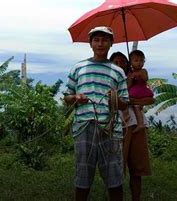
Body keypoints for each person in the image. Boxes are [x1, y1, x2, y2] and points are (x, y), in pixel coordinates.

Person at [64, 26, 128, 201]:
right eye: (97, 40)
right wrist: (75, 97)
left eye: (105, 40)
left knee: (115, 177)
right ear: (90, 43)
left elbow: (124, 103)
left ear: (111, 44)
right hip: (84, 127)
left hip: (110, 129)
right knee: (83, 176)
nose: (100, 43)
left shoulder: (118, 71)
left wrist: (113, 100)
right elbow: (67, 96)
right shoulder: (78, 68)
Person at [110, 51, 154, 201]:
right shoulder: (108, 79)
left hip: (136, 124)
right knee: (117, 167)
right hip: (118, 125)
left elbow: (149, 100)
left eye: (123, 62)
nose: (120, 64)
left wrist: (131, 100)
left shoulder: (136, 77)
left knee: (137, 168)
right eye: (116, 62)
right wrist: (129, 101)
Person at [127, 50, 154, 133]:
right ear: (130, 62)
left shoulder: (143, 71)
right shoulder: (129, 73)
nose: (139, 63)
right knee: (136, 107)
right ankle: (140, 123)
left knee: (137, 106)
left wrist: (139, 74)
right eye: (136, 61)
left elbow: (146, 79)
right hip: (133, 92)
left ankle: (141, 124)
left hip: (142, 91)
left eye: (141, 60)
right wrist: (131, 78)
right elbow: (128, 85)